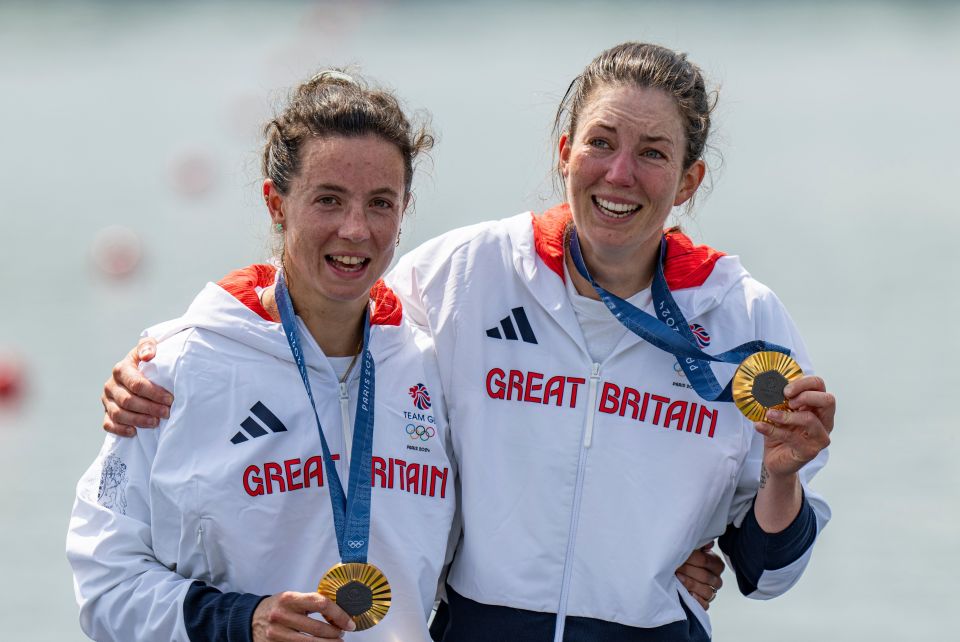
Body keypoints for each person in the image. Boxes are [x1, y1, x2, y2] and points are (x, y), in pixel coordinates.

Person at [101, 42, 833, 641]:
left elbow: (767, 573)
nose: (619, 174)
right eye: (601, 143)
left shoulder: (743, 321)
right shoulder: (466, 272)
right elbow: (329, 287)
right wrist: (173, 348)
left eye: (652, 153)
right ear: (564, 153)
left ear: (688, 179)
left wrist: (780, 478)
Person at [68, 71, 459, 641]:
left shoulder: (430, 366)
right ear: (276, 204)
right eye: (328, 200)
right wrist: (239, 622)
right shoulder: (175, 370)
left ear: (404, 210)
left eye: (381, 203)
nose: (356, 229)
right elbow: (104, 581)